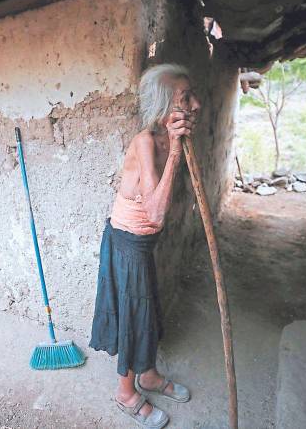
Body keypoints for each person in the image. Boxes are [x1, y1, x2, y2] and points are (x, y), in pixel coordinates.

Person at [89, 63, 201, 429]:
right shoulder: (145, 142)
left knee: (147, 312)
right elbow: (153, 213)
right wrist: (174, 153)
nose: (196, 104)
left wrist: (179, 144)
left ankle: (148, 375)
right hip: (128, 243)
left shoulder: (171, 137)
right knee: (135, 317)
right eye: (186, 97)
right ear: (165, 105)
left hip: (142, 246)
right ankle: (125, 393)